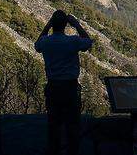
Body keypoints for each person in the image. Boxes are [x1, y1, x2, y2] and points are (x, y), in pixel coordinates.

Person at [34, 10, 93, 155]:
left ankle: (53, 151)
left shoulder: (46, 42)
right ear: (66, 25)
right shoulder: (72, 41)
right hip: (70, 88)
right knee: (72, 124)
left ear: (52, 24)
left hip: (53, 86)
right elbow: (88, 43)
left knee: (53, 124)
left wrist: (47, 26)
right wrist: (77, 25)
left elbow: (37, 45)